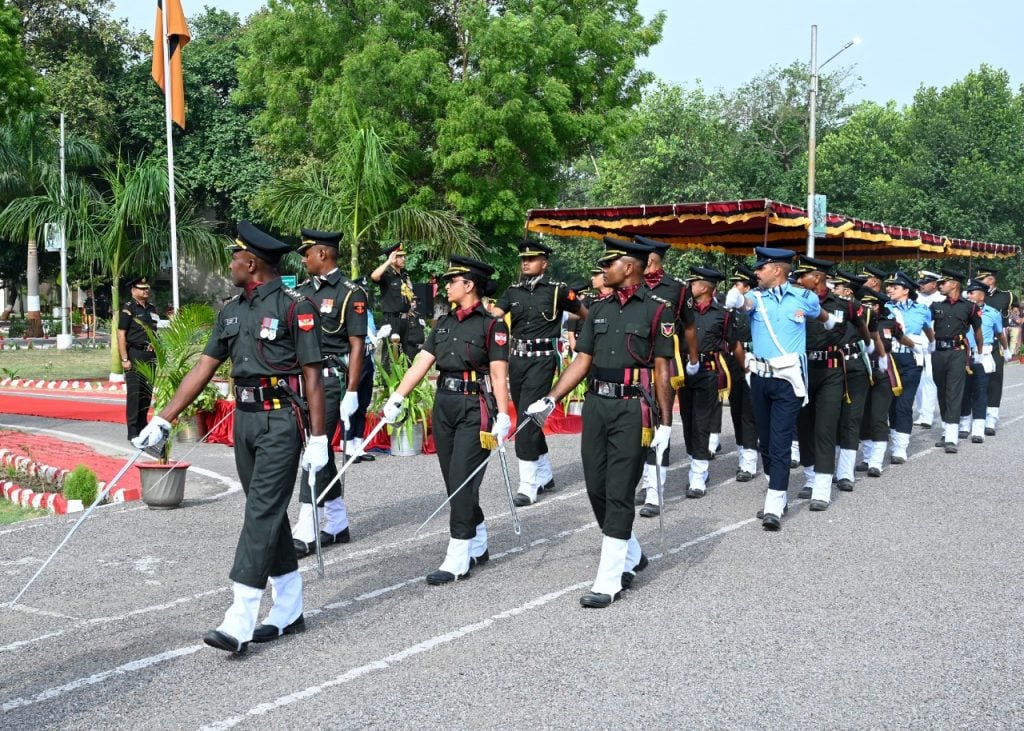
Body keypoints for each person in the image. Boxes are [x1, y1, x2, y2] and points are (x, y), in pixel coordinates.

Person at [133, 221, 327, 654]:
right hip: (246, 420)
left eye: (235, 258)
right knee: (266, 510)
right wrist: (164, 419)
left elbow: (312, 376)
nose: (230, 265)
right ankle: (289, 605)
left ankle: (240, 615)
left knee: (261, 509)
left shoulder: (297, 307)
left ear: (252, 262)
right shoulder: (231, 311)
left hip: (281, 421)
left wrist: (319, 438)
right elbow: (203, 370)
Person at [525, 236, 675, 607]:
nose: (603, 270)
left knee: (621, 488)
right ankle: (632, 552)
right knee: (596, 485)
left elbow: (662, 369)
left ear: (629, 267)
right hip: (596, 405)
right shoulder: (600, 308)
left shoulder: (658, 310)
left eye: (609, 264)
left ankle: (609, 581)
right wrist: (551, 398)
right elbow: (582, 360)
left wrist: (666, 423)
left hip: (633, 409)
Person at [382, 256, 510, 584]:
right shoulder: (443, 323)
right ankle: (478, 539)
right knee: (454, 481)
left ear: (469, 285)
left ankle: (457, 556)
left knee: (463, 478)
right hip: (445, 404)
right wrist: (398, 397)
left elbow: (498, 373)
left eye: (453, 281)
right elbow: (421, 363)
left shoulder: (491, 324)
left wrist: (504, 413)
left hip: (474, 406)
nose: (447, 286)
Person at [724, 247, 838, 529]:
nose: (756, 272)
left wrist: (831, 321)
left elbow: (819, 312)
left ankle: (774, 504)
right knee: (764, 440)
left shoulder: (803, 297)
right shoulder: (756, 298)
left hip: (788, 380)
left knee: (780, 439)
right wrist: (735, 298)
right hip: (761, 378)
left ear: (777, 269)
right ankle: (778, 490)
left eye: (761, 268)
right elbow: (744, 305)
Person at [490, 239, 585, 507]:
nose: (525, 262)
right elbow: (494, 316)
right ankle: (544, 474)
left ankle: (528, 485)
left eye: (531, 258)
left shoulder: (557, 291)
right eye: (523, 259)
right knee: (527, 414)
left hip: (543, 360)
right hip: (517, 360)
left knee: (528, 417)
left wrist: (588, 343)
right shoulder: (512, 291)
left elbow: (584, 313)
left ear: (545, 263)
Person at [292, 228, 368, 557]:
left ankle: (307, 527)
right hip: (305, 381)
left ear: (322, 254)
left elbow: (357, 346)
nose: (304, 259)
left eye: (307, 253)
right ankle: (336, 521)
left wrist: (352, 389)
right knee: (315, 450)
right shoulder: (301, 292)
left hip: (332, 382)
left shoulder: (351, 293)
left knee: (316, 449)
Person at [632, 235, 698, 514]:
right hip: (634, 363)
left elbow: (690, 326)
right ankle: (644, 482)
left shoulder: (677, 288)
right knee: (636, 426)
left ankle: (655, 492)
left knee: (660, 424)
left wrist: (692, 358)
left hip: (663, 364)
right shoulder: (630, 283)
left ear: (650, 258)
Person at [790, 256, 861, 511]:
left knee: (826, 427)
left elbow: (862, 327)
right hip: (804, 370)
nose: (798, 280)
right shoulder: (795, 302)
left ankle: (821, 488)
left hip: (831, 371)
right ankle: (810, 478)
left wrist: (870, 350)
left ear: (818, 277)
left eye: (803, 275)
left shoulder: (842, 305)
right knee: (804, 425)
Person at [676, 266, 732, 499]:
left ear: (706, 287)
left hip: (707, 372)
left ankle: (698, 476)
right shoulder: (682, 312)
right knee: (687, 421)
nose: (690, 286)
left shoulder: (722, 314)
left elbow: (731, 343)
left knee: (701, 423)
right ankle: (695, 463)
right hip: (684, 372)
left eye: (694, 282)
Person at [929, 268, 984, 453]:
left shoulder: (970, 307)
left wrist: (980, 353)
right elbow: (925, 325)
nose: (940, 286)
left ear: (954, 284)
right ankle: (947, 429)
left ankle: (952, 437)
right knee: (942, 391)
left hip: (958, 352)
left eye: (943, 283)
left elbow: (977, 331)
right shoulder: (936, 306)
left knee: (954, 391)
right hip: (938, 353)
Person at [828, 270, 873, 493]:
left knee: (851, 418)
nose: (833, 289)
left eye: (837, 287)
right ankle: (825, 469)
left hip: (854, 366)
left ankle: (845, 472)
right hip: (832, 367)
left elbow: (868, 335)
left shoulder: (861, 310)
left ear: (847, 291)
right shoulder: (827, 306)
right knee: (829, 418)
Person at [884, 272, 934, 463]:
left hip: (911, 361)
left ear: (906, 290)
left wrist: (930, 346)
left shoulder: (921, 309)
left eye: (895, 287)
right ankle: (891, 439)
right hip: (889, 360)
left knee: (904, 405)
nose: (890, 290)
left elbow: (928, 330)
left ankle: (900, 447)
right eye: (890, 287)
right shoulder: (885, 308)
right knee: (889, 404)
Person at [959, 279, 1009, 443]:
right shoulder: (963, 310)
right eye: (968, 292)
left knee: (991, 386)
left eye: (972, 292)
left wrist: (1006, 350)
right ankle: (965, 422)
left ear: (982, 295)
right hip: (966, 353)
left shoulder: (992, 313)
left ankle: (990, 419)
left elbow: (1000, 333)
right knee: (966, 388)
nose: (969, 295)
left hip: (988, 352)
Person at [856, 287, 897, 476]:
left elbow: (888, 344)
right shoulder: (854, 321)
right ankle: (867, 456)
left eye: (870, 304)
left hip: (881, 373)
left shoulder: (888, 322)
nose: (866, 307)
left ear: (878, 306)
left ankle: (876, 461)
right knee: (863, 416)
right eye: (863, 303)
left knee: (878, 417)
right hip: (861, 373)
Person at [724, 265, 760, 482]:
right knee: (736, 410)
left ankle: (749, 462)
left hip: (753, 359)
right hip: (732, 361)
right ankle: (742, 455)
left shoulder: (756, 305)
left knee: (748, 412)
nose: (734, 288)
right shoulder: (731, 310)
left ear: (747, 287)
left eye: (738, 284)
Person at [117, 277, 160, 442]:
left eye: (146, 288)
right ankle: (133, 431)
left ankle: (143, 426)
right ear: (133, 291)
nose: (145, 291)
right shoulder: (129, 309)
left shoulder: (152, 308)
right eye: (142, 289)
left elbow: (155, 330)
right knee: (135, 394)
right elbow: (121, 333)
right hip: (135, 354)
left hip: (150, 355)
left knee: (146, 393)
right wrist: (124, 358)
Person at [977, 268, 1016, 435]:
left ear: (991, 280)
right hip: (978, 342)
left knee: (995, 380)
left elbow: (1017, 308)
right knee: (977, 381)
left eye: (983, 279)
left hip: (997, 341)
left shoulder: (1006, 296)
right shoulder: (974, 296)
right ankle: (977, 416)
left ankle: (991, 418)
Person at [370, 242, 417, 364]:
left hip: (405, 320)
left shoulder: (404, 276)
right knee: (390, 353)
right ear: (392, 258)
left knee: (406, 353)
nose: (403, 259)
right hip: (391, 320)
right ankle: (388, 383)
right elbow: (374, 276)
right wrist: (388, 262)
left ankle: (404, 381)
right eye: (399, 256)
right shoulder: (386, 275)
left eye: (403, 256)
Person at [912, 270, 944, 428]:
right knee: (917, 380)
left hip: (933, 344)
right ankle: (921, 412)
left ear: (934, 284)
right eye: (920, 283)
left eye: (924, 283)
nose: (921, 286)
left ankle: (928, 415)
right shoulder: (916, 298)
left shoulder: (942, 299)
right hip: (917, 344)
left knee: (930, 380)